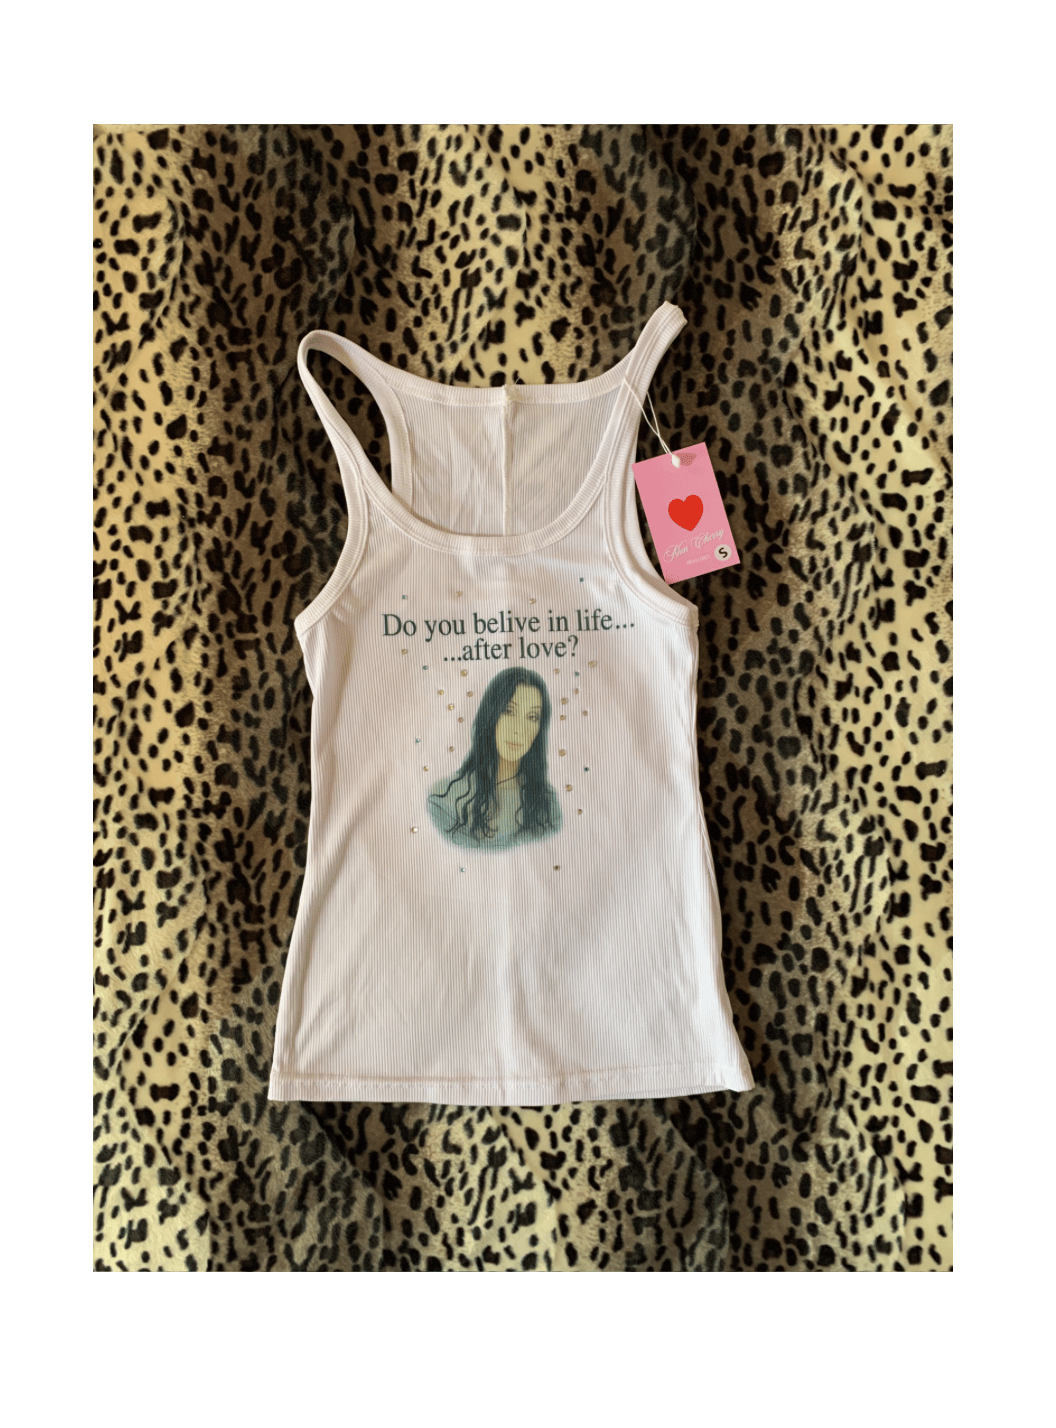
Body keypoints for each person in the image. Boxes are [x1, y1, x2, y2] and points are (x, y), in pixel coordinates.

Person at [427, 666, 563, 851]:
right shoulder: (445, 800)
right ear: (491, 716)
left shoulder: (547, 805)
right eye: (509, 711)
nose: (518, 730)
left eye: (532, 717)